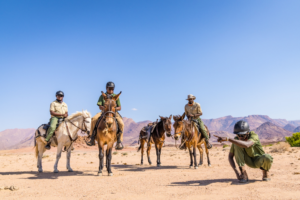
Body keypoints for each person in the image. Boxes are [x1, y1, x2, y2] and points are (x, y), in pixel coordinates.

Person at [86, 82, 124, 150]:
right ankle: (91, 138)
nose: (111, 90)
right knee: (94, 119)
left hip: (113, 112)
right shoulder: (102, 96)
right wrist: (105, 108)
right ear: (106, 88)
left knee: (121, 123)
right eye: (110, 88)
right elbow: (100, 106)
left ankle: (119, 141)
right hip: (104, 112)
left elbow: (120, 107)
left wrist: (113, 109)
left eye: (112, 89)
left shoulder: (116, 96)